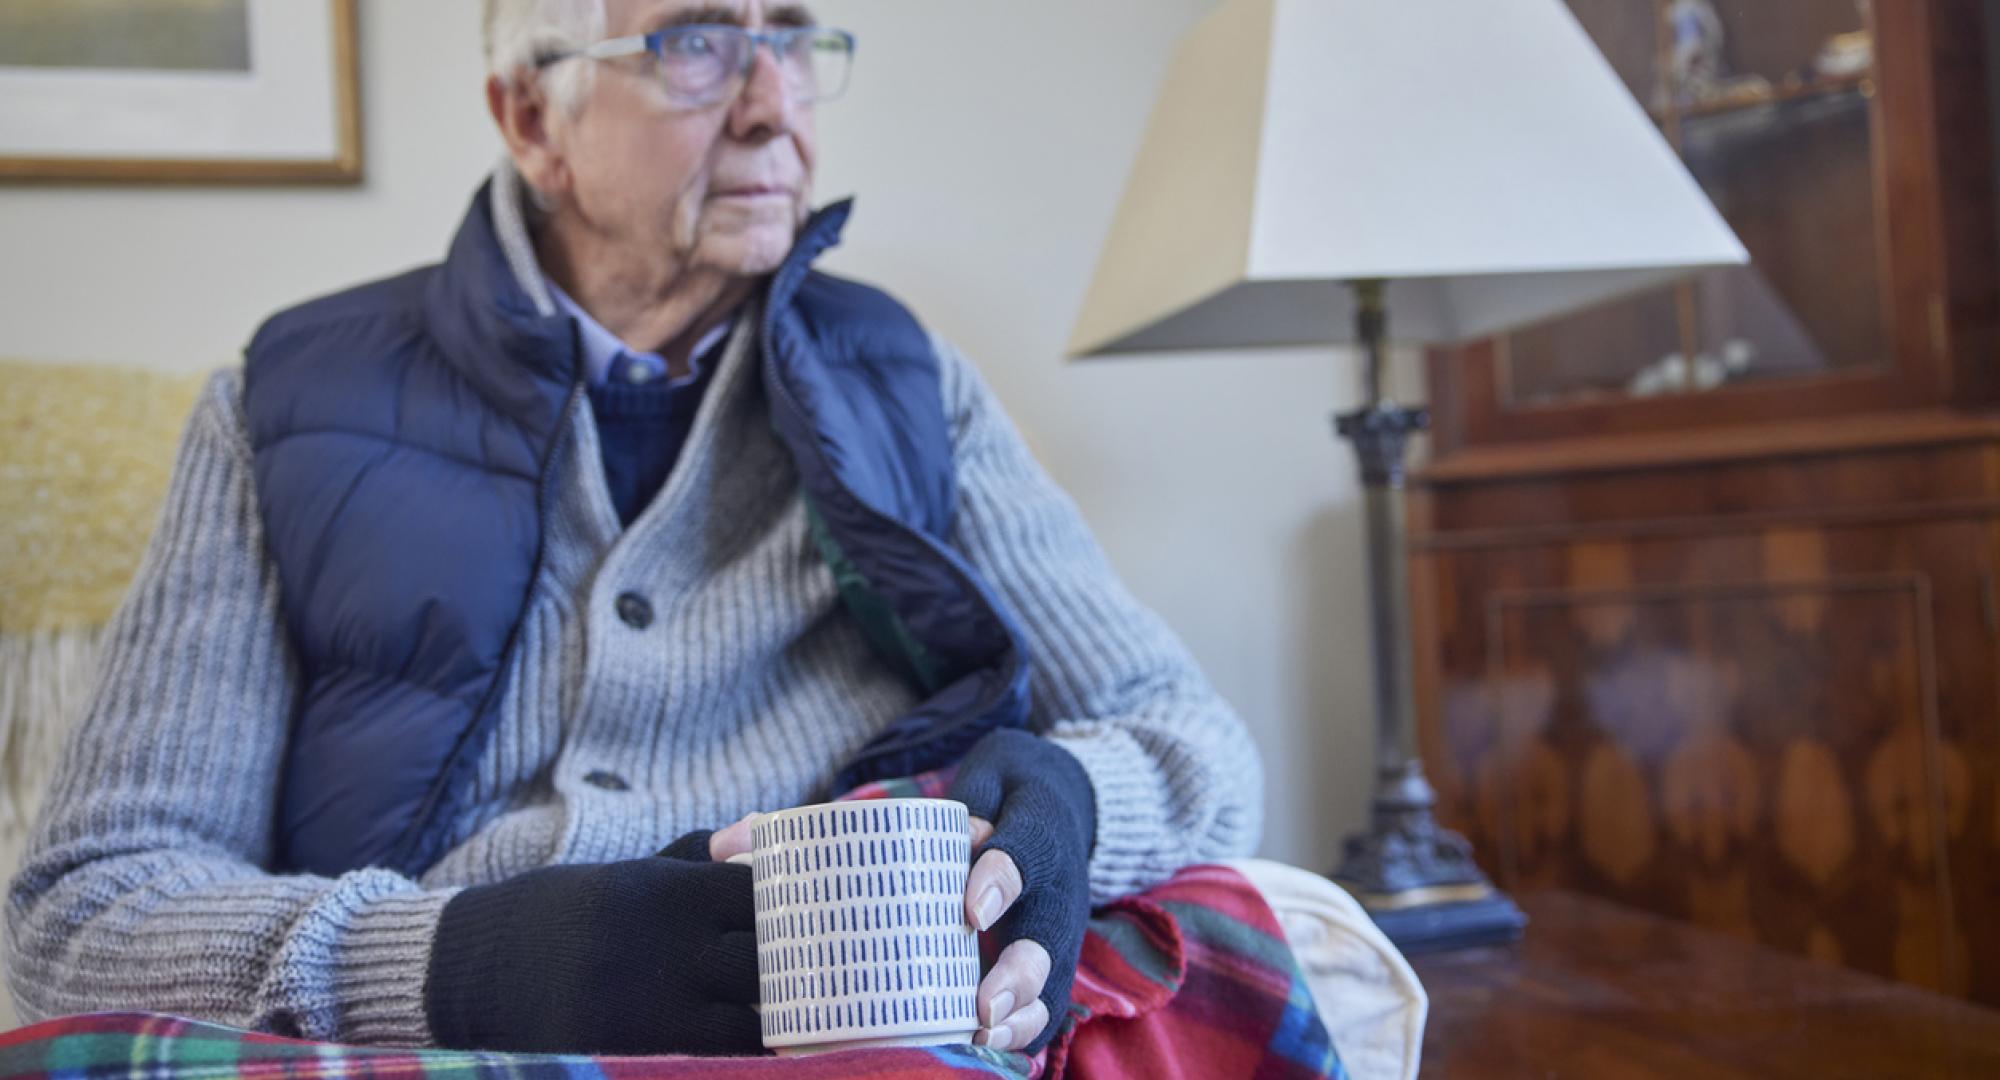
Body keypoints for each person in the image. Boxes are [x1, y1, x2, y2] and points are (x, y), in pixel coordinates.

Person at [5, 0, 1261, 1058]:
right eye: (697, 41)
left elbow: (1194, 740)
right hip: (447, 1048)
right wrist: (460, 963)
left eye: (794, 35)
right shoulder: (283, 407)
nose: (775, 104)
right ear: (531, 119)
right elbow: (82, 910)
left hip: (847, 1036)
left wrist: (1070, 798)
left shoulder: (909, 382)